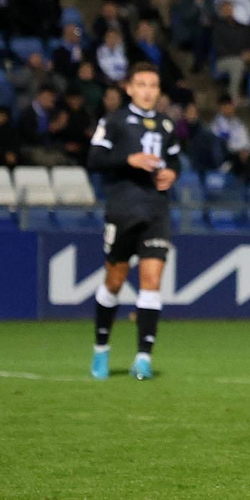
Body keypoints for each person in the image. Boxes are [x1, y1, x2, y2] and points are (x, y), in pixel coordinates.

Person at [85, 63, 181, 381]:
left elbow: (175, 158)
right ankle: (101, 348)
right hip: (124, 209)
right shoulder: (113, 121)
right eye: (141, 84)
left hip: (156, 210)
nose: (147, 91)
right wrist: (128, 160)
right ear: (129, 88)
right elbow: (94, 160)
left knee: (151, 281)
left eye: (153, 85)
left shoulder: (166, 124)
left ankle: (143, 358)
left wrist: (172, 172)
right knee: (114, 282)